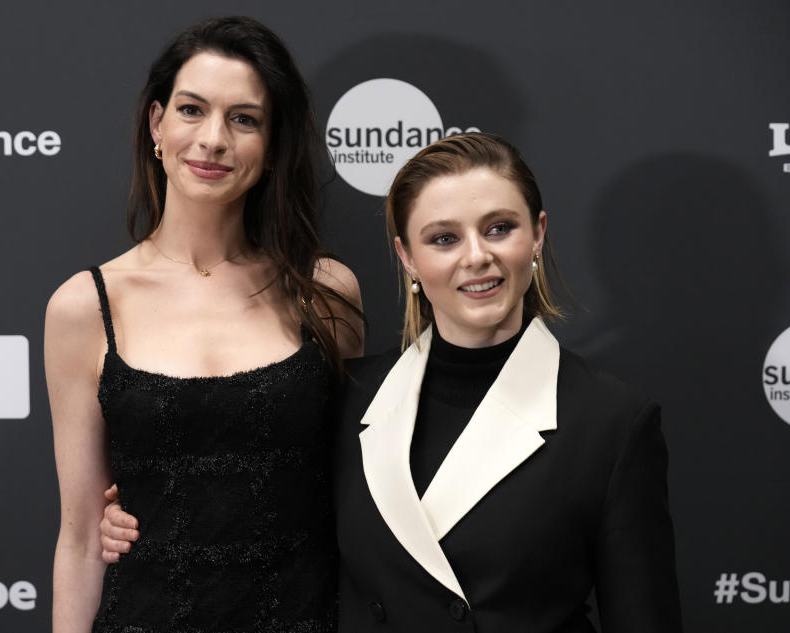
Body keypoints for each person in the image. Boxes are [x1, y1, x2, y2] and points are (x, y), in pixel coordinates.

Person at [101, 132, 682, 632]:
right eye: (444, 238)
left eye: (499, 228)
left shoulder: (612, 422)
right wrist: (137, 512)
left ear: (538, 235)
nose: (476, 257)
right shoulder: (348, 396)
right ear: (407, 257)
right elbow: (258, 517)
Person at [46, 16, 362, 633]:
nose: (213, 139)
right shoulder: (84, 307)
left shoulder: (325, 293)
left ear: (271, 147)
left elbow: (353, 495)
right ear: (156, 125)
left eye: (243, 119)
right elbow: (82, 542)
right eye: (192, 110)